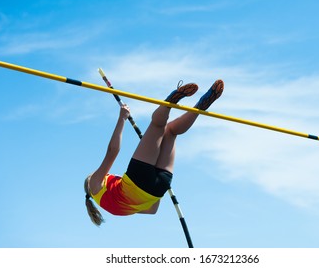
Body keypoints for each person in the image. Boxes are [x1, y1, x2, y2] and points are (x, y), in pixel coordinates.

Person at [84, 79, 224, 226]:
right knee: (158, 125)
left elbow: (152, 210)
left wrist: (153, 155)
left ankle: (199, 108)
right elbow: (113, 151)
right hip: (137, 178)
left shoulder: (116, 209)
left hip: (160, 186)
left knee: (171, 131)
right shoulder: (94, 184)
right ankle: (172, 99)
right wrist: (122, 118)